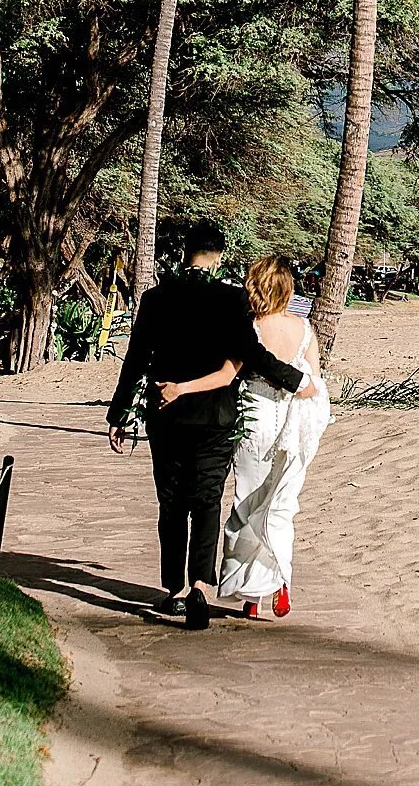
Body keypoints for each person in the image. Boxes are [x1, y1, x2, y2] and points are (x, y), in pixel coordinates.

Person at [106, 219, 308, 631]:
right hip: (216, 420)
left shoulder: (156, 298)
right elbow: (250, 353)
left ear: (185, 251)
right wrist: (296, 381)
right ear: (218, 256)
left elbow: (136, 358)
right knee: (207, 501)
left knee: (172, 504)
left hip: (167, 416)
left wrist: (117, 414)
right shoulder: (231, 300)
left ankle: (174, 590)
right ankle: (200, 583)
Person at [218, 255, 331, 620]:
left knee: (247, 502)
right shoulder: (304, 329)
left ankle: (252, 596)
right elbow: (315, 383)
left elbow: (229, 373)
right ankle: (281, 581)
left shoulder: (248, 327)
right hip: (292, 423)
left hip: (256, 417)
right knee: (282, 506)